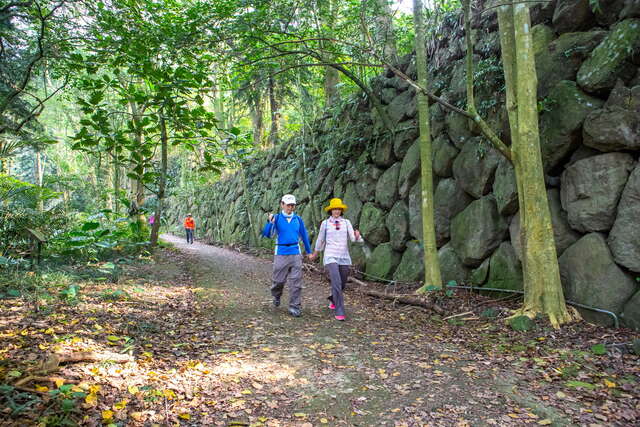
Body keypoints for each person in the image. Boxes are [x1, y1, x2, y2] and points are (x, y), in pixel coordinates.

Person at [309, 198, 363, 321]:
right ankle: (339, 310)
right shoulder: (325, 223)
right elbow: (320, 240)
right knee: (336, 281)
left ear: (341, 210)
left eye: (338, 209)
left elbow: (353, 239)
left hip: (344, 256)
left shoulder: (346, 222)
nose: (336, 211)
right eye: (334, 209)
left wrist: (357, 237)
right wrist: (315, 254)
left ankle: (333, 298)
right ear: (331, 211)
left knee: (342, 282)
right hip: (330, 255)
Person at [261, 194, 312, 317]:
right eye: (288, 205)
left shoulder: (298, 219)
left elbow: (304, 235)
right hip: (281, 253)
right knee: (278, 281)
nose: (290, 207)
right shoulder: (277, 218)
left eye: (292, 205)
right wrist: (269, 222)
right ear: (282, 205)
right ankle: (276, 295)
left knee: (296, 282)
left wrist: (309, 252)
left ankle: (295, 306)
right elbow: (266, 234)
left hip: (295, 252)